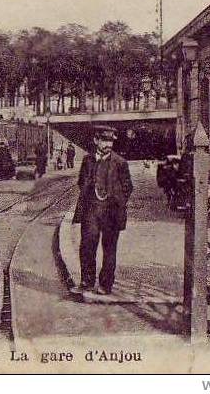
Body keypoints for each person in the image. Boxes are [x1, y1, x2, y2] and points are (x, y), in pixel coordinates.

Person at [72, 126, 133, 296]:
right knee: (87, 246)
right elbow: (80, 182)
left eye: (110, 141)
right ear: (96, 141)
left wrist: (116, 202)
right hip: (91, 211)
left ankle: (106, 285)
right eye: (104, 141)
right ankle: (86, 282)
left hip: (111, 213)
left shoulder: (120, 162)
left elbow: (128, 187)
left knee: (109, 249)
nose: (108, 144)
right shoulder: (87, 160)